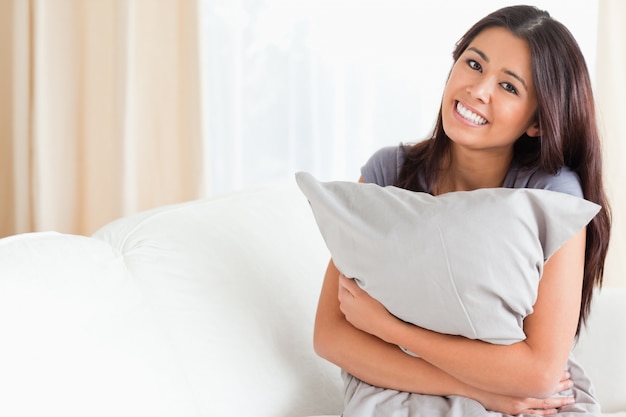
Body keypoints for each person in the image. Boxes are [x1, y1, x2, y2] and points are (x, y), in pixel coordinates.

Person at [313, 5, 612, 416]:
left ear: (537, 122)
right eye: (474, 64)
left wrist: (390, 329)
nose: (478, 89)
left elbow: (540, 373)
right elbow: (330, 335)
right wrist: (477, 390)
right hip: (419, 391)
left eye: (509, 87)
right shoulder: (389, 172)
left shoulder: (553, 195)